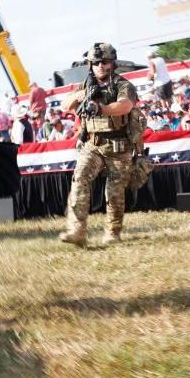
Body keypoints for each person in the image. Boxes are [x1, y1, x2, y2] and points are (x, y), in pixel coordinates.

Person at [58, 42, 138, 246]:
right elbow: (65, 105)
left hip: (118, 146)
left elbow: (125, 106)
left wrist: (100, 108)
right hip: (92, 144)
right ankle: (77, 231)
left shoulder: (123, 85)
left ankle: (113, 232)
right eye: (95, 63)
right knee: (80, 179)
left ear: (112, 63)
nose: (100, 66)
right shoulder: (86, 86)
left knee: (115, 191)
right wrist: (82, 95)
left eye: (104, 62)